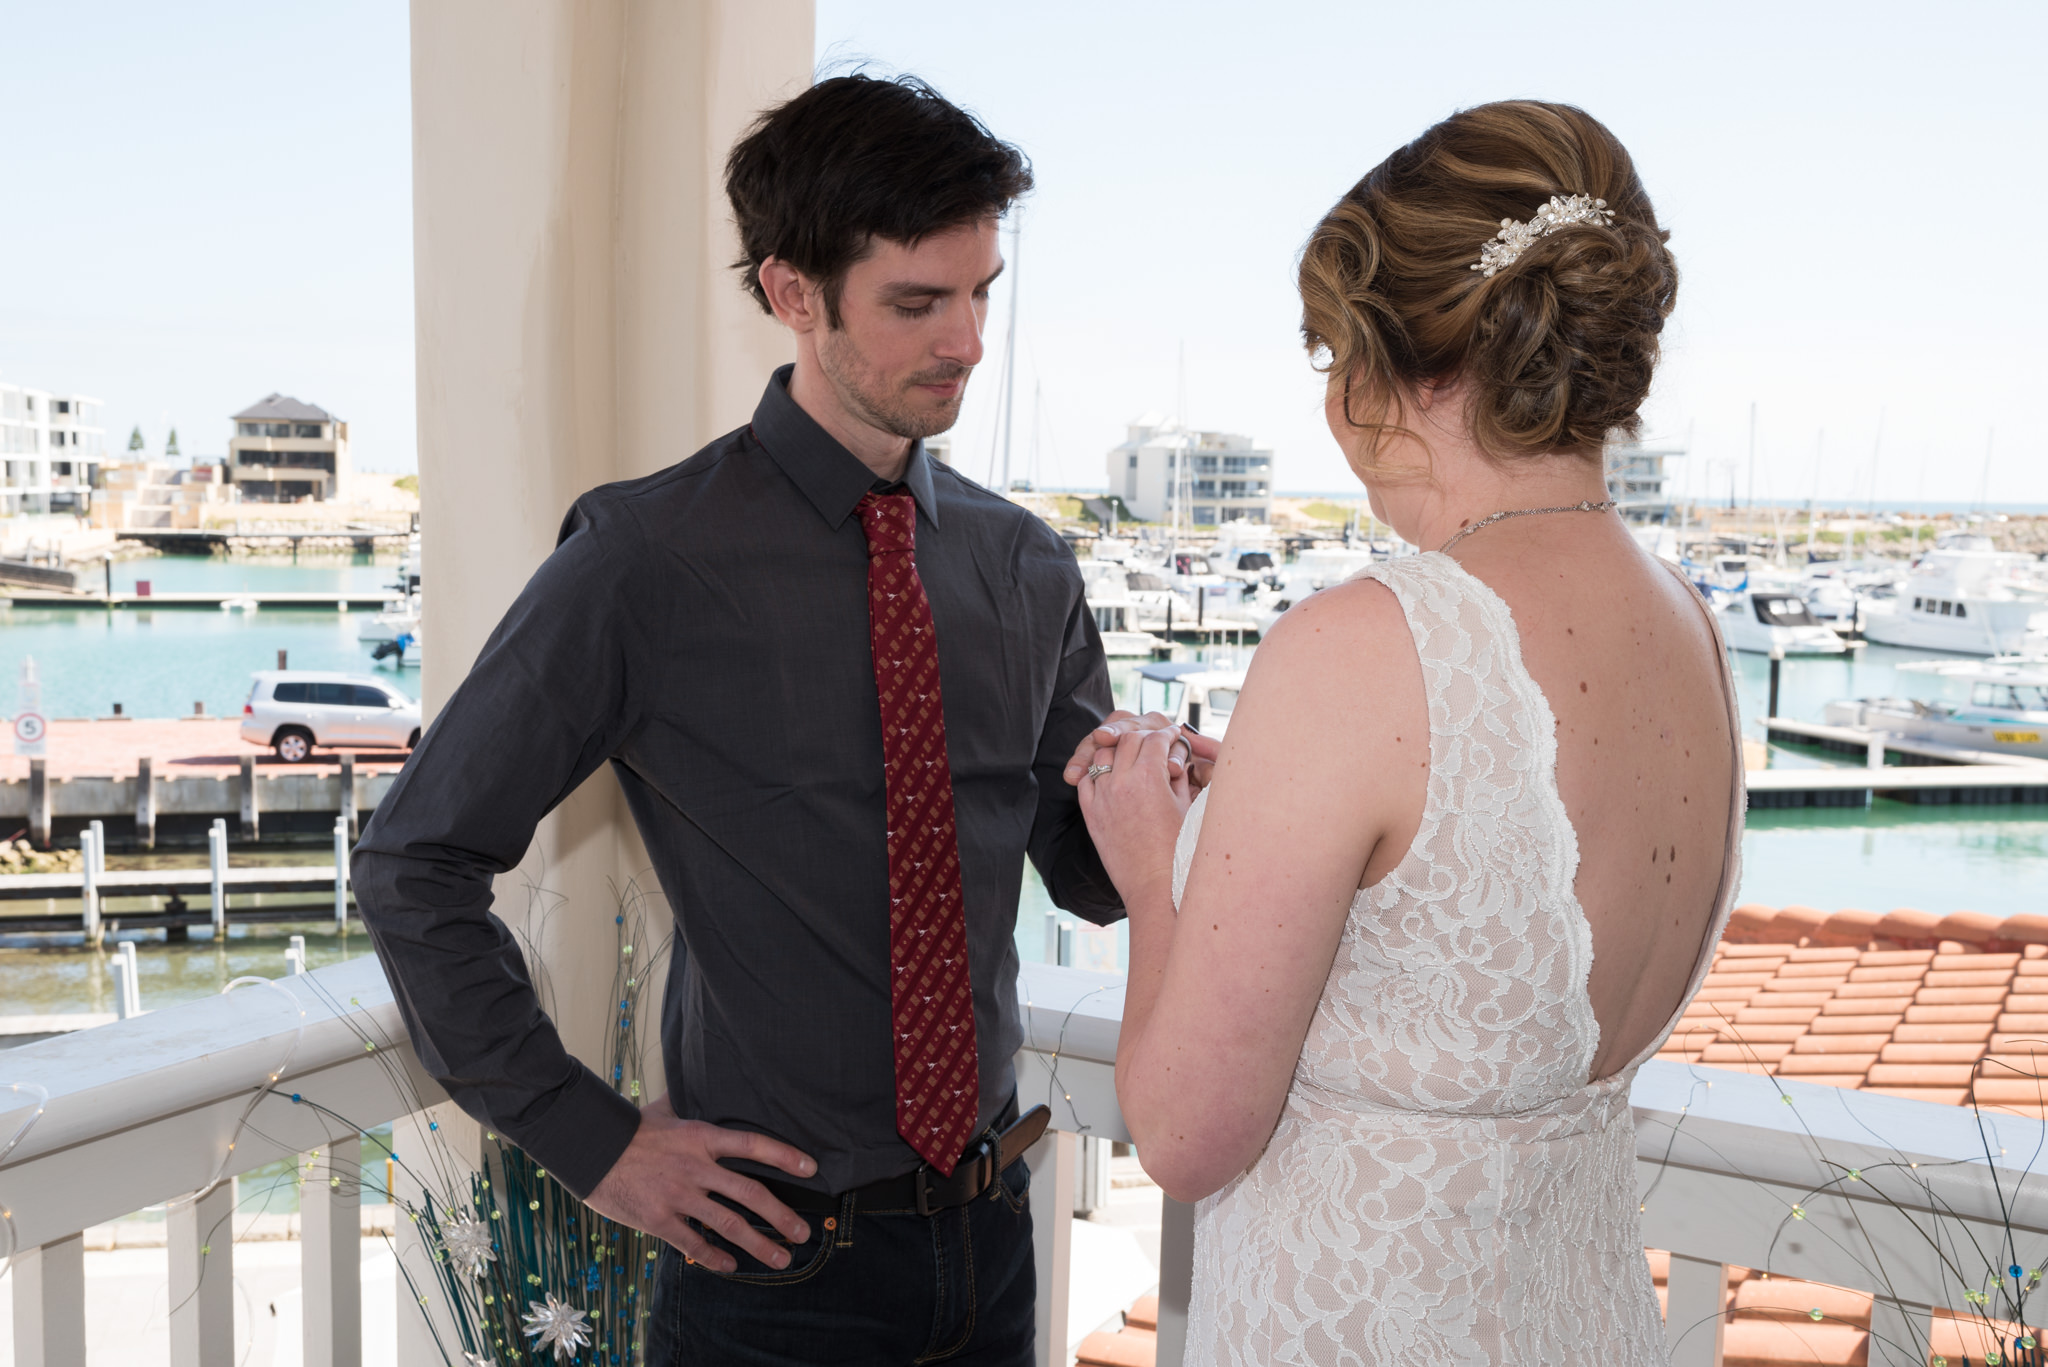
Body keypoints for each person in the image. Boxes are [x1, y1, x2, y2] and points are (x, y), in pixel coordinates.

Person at [355, 74, 1172, 1366]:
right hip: (773, 1280)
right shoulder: (644, 556)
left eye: (980, 294)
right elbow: (414, 861)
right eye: (918, 302)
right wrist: (595, 1142)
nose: (966, 341)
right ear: (794, 292)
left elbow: (1086, 870)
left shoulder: (1027, 568)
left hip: (993, 1249)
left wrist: (1186, 801)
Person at [1068, 100, 1743, 1364]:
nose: (1328, 394)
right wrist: (1260, 819)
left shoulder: (1366, 644)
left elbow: (1185, 1133)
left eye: (1330, 349)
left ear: (1400, 366)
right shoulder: (1691, 634)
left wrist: (1159, 864)